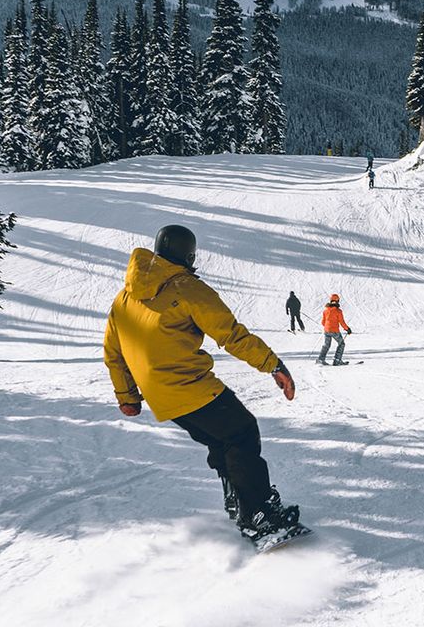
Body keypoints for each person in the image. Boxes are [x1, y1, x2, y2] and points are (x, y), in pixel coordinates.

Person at [103, 225, 301, 544]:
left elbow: (113, 351)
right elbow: (232, 335)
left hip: (161, 397)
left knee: (221, 438)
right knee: (241, 432)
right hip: (187, 384)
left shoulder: (124, 296)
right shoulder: (187, 288)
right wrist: (273, 365)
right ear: (189, 254)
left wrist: (128, 396)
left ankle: (238, 498)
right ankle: (257, 513)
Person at [317, 293, 353, 365]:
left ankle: (320, 359)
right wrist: (347, 329)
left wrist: (328, 326)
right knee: (341, 344)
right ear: (337, 301)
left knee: (326, 345)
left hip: (326, 331)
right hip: (334, 331)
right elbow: (342, 322)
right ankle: (337, 360)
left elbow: (323, 322)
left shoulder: (326, 310)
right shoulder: (338, 311)